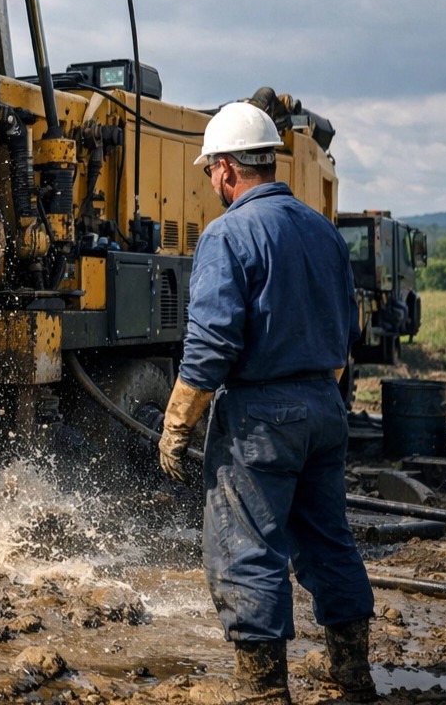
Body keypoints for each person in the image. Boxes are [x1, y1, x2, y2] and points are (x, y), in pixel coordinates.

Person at [158, 101, 377, 704]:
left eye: (210, 173)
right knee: (330, 540)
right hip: (324, 408)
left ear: (227, 170)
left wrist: (177, 425)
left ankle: (262, 693)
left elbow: (210, 346)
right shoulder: (323, 231)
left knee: (248, 548)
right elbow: (345, 329)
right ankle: (353, 678)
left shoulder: (228, 234)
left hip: (260, 418)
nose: (211, 184)